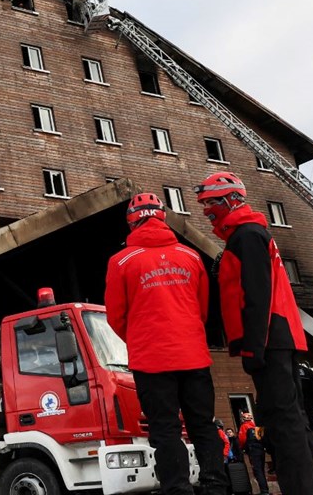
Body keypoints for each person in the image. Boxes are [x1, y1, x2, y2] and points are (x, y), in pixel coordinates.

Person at [195, 172, 313, 495]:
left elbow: (257, 295)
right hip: (278, 340)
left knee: (283, 425)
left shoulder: (246, 236)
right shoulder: (248, 236)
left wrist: (253, 348)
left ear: (230, 200)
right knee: (294, 422)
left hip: (269, 341)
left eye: (211, 203)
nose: (206, 211)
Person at [105, 192, 227, 495]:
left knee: (165, 428)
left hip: (151, 360)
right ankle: (215, 487)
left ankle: (178, 489)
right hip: (194, 356)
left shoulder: (120, 261)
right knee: (203, 425)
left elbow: (116, 316)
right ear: (163, 216)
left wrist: (141, 337)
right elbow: (201, 309)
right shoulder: (191, 256)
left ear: (132, 222)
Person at [239, 412, 271, 495]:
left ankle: (264, 491)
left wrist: (244, 449)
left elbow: (242, 440)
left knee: (257, 470)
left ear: (243, 419)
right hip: (261, 450)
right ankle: (265, 489)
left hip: (253, 451)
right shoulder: (256, 426)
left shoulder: (244, 427)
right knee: (261, 469)